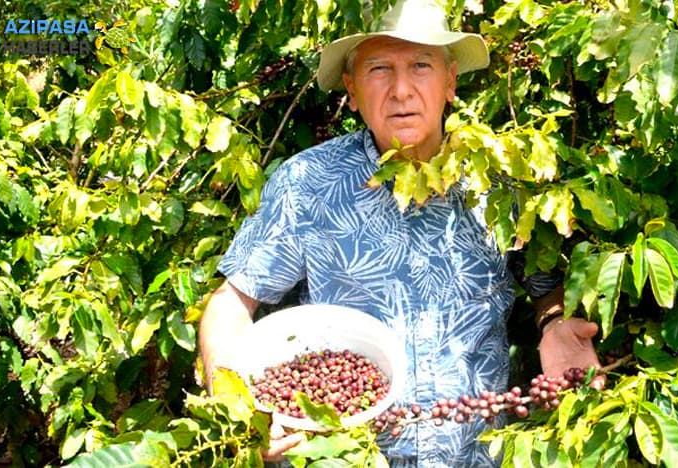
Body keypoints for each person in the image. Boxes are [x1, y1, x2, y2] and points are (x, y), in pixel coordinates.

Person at [198, 0, 603, 465]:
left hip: (477, 456)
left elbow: (543, 284)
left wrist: (555, 325)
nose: (402, 90)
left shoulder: (501, 178)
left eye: (421, 65)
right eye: (379, 69)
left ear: (450, 81)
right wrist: (236, 409)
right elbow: (231, 303)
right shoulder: (308, 184)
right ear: (350, 89)